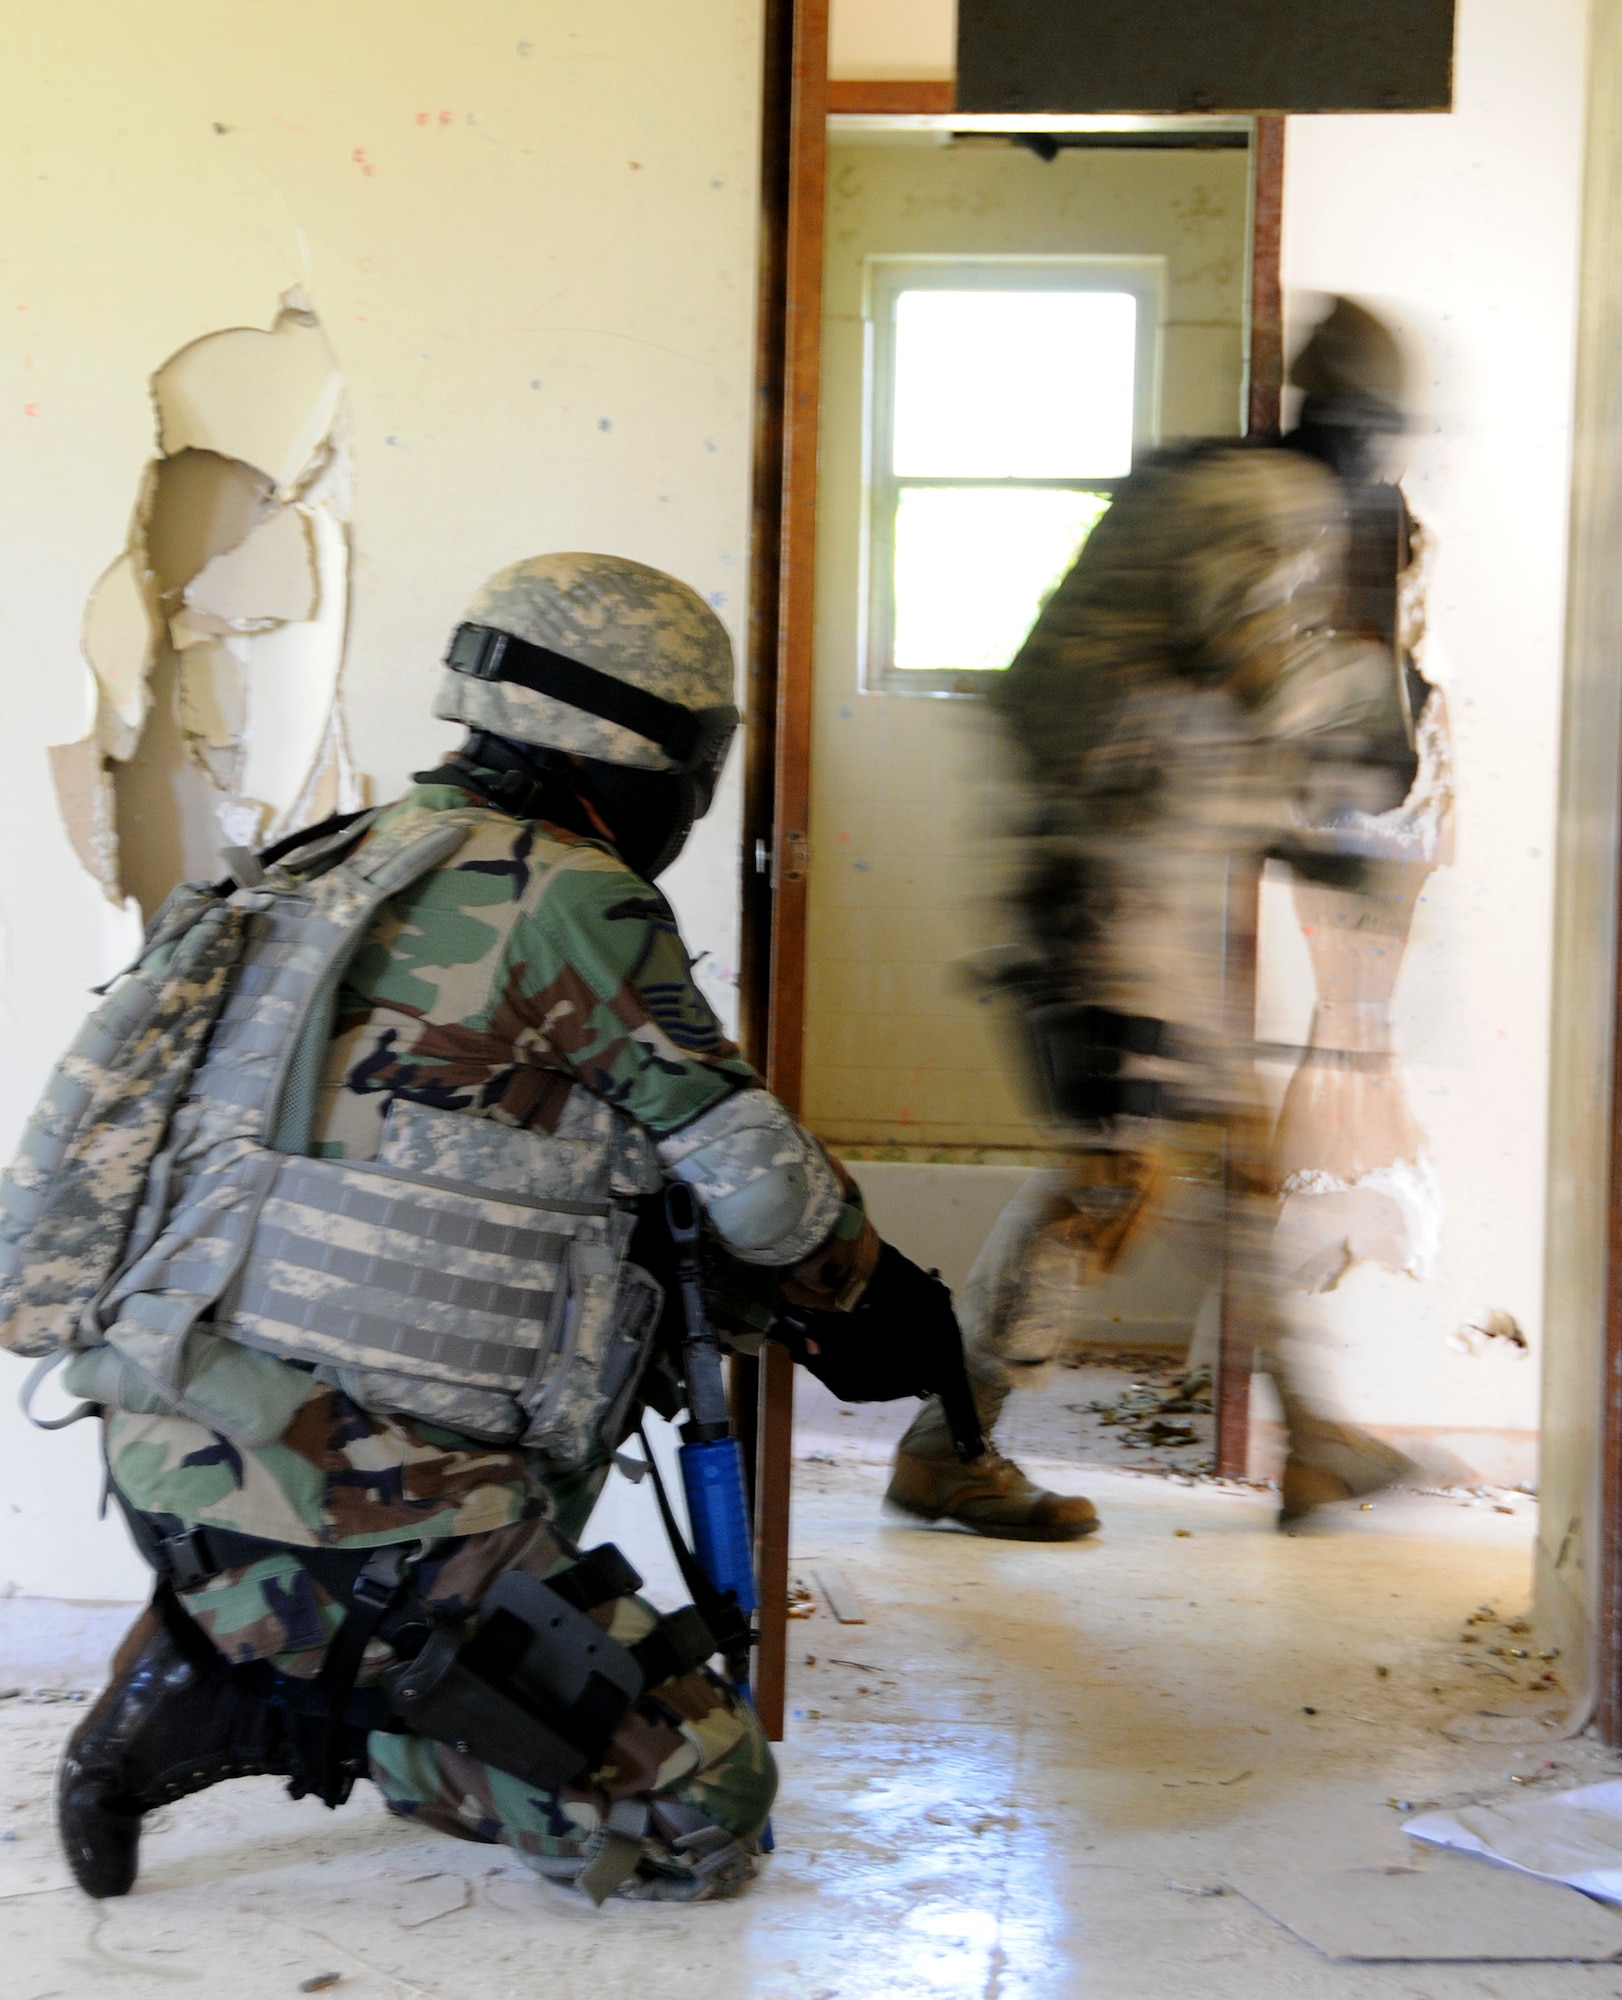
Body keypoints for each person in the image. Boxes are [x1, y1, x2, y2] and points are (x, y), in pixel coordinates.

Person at [1, 553, 979, 1906]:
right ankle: (263, 1689)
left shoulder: (342, 859)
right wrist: (876, 1299)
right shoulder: (572, 895)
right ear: (652, 752)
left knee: (617, 1285)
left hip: (199, 1433)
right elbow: (765, 1192)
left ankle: (289, 1650)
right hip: (343, 1486)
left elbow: (593, 1188)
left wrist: (785, 1304)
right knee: (707, 1818)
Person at [886, 299, 1424, 1538]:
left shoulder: (1226, 495)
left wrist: (1298, 838)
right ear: (1367, 428)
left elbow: (1191, 712)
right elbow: (1256, 677)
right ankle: (945, 1449)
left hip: (1130, 889)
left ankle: (1315, 1438)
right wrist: (1368, 696)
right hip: (1103, 897)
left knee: (1236, 1158)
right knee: (1104, 1178)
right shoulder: (1256, 503)